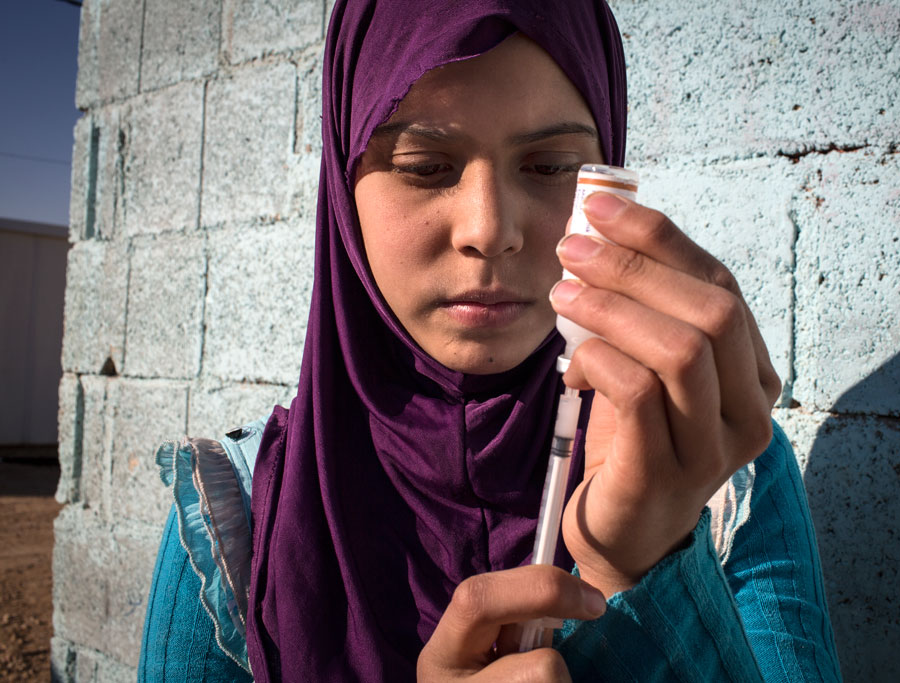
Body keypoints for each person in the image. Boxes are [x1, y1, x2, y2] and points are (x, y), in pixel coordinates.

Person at [138, 0, 842, 681]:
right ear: (343, 184)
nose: (489, 228)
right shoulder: (239, 516)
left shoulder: (710, 466)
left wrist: (634, 560)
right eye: (424, 165)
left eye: (550, 167)